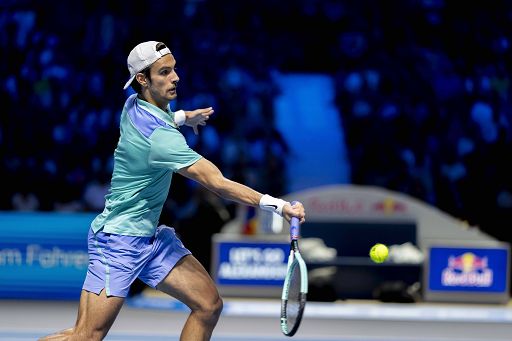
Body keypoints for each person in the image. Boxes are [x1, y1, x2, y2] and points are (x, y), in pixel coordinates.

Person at [39, 41, 305, 341]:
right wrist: (279, 206)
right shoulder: (162, 139)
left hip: (151, 239)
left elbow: (162, 118)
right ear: (143, 79)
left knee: (208, 306)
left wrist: (182, 116)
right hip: (118, 241)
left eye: (174, 69)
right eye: (165, 72)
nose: (175, 77)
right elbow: (218, 184)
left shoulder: (132, 105)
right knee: (86, 336)